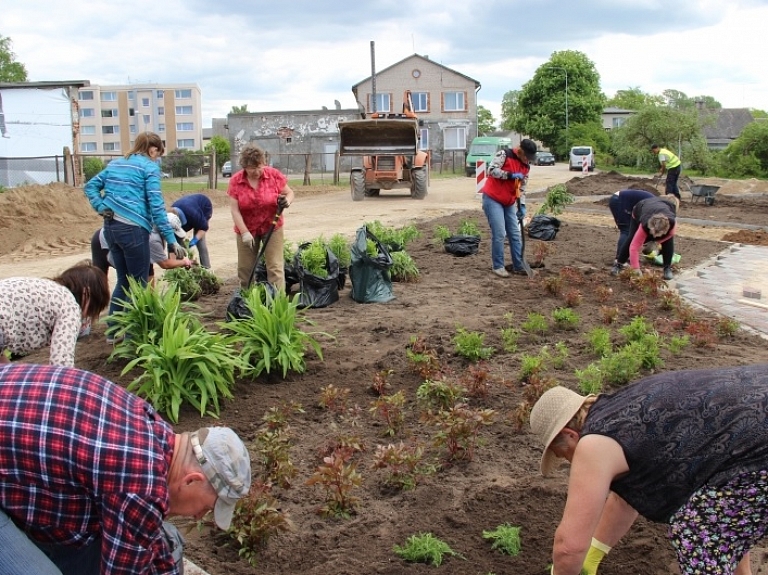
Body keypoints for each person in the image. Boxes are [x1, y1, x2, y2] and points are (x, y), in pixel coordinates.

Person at [0, 363, 251, 575]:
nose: (198, 517)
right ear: (191, 480)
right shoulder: (142, 486)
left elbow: (144, 541)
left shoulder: (153, 429)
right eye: (207, 508)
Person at [530, 364, 768, 575]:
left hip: (759, 449)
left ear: (570, 435)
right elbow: (629, 497)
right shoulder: (623, 411)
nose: (572, 462)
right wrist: (594, 554)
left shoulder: (593, 443)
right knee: (720, 514)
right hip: (756, 409)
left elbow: (569, 547)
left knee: (698, 531)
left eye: (564, 455)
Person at [84, 132, 187, 338]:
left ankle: (112, 333)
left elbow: (90, 186)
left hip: (110, 228)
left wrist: (101, 206)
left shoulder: (116, 164)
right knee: (139, 285)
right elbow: (157, 207)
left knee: (123, 280)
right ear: (152, 149)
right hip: (133, 230)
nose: (157, 158)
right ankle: (135, 336)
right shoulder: (149, 167)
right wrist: (171, 239)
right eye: (158, 153)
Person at [0, 263, 110, 367]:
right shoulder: (69, 306)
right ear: (87, 294)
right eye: (92, 311)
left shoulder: (48, 289)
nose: (87, 319)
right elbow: (61, 362)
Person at [227, 144, 294, 291]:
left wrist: (286, 201)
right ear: (244, 166)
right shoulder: (236, 181)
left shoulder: (274, 175)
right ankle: (247, 301)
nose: (256, 171)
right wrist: (244, 232)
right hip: (247, 228)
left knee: (275, 267)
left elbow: (290, 193)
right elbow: (234, 210)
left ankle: (277, 304)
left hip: (272, 226)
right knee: (245, 269)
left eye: (259, 167)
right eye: (252, 168)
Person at [481, 138, 537, 277]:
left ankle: (519, 265)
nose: (527, 160)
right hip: (493, 198)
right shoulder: (504, 154)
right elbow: (491, 170)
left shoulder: (526, 166)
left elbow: (522, 188)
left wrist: (522, 206)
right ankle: (498, 266)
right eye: (526, 157)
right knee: (500, 233)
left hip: (510, 202)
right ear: (520, 151)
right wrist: (510, 175)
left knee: (515, 233)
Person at [90, 212, 194, 283]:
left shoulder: (156, 229)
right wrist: (185, 262)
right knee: (100, 279)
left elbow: (149, 267)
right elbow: (165, 264)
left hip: (126, 242)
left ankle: (148, 303)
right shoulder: (153, 238)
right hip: (102, 240)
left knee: (144, 267)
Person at [613, 195, 678, 280]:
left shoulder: (672, 223)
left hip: (661, 207)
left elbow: (670, 235)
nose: (654, 236)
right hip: (640, 208)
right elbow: (634, 247)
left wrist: (656, 242)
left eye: (657, 235)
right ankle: (619, 264)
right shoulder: (645, 224)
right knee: (631, 238)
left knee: (668, 242)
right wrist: (635, 269)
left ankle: (667, 268)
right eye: (653, 233)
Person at [607, 189, 655, 274]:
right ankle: (619, 260)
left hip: (622, 201)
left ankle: (623, 257)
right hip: (619, 200)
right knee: (626, 231)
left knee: (630, 231)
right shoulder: (655, 208)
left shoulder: (656, 205)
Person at [171, 193, 214, 268]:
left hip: (203, 207)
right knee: (177, 242)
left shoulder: (194, 214)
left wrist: (195, 240)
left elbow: (204, 228)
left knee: (200, 241)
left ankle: (206, 267)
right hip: (188, 208)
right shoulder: (171, 215)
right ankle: (181, 266)